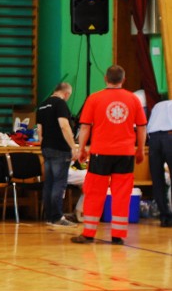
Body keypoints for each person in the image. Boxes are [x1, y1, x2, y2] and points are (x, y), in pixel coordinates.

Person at [73, 65, 147, 244]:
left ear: (106, 78)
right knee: (122, 194)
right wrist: (140, 150)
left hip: (101, 153)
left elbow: (85, 127)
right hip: (125, 154)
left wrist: (81, 149)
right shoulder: (133, 99)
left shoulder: (94, 98)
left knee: (94, 192)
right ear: (124, 79)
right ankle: (118, 236)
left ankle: (89, 234)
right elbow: (142, 127)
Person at [36, 82, 79, 227]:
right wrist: (73, 146)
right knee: (59, 184)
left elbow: (39, 131)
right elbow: (64, 126)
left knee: (49, 183)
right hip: (60, 149)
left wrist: (44, 145)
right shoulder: (60, 104)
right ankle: (57, 217)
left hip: (46, 148)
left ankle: (49, 216)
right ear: (66, 94)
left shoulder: (42, 105)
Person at [147, 99, 172, 228]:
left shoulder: (158, 104)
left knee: (157, 179)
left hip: (154, 138)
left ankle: (164, 217)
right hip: (170, 135)